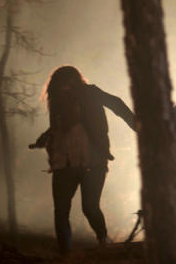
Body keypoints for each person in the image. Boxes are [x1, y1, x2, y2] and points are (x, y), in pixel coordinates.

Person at [30, 66, 136, 253]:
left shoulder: (90, 93)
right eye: (60, 86)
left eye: (67, 84)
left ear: (75, 82)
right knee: (61, 210)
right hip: (64, 164)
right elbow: (58, 129)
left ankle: (103, 239)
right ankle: (65, 253)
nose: (64, 89)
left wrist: (137, 125)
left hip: (92, 162)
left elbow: (116, 104)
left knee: (89, 207)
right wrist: (43, 139)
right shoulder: (57, 103)